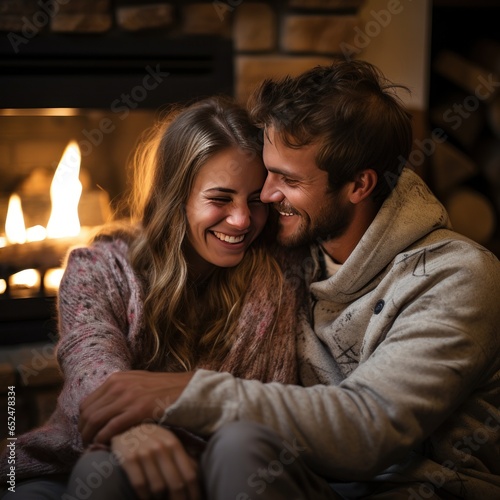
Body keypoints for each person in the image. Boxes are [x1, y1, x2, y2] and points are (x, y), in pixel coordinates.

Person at [75, 59, 500, 499]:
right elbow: (170, 248)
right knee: (117, 469)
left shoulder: (459, 275)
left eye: (288, 179)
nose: (266, 194)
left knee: (240, 448)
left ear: (359, 185)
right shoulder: (290, 249)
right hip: (310, 481)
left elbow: (371, 429)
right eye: (268, 170)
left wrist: (189, 393)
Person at [0, 96, 307, 499]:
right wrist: (131, 429)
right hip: (80, 454)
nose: (242, 220)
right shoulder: (98, 268)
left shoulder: (277, 275)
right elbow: (90, 361)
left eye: (254, 200)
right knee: (91, 472)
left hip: (225, 466)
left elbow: (266, 416)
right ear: (176, 197)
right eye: (219, 199)